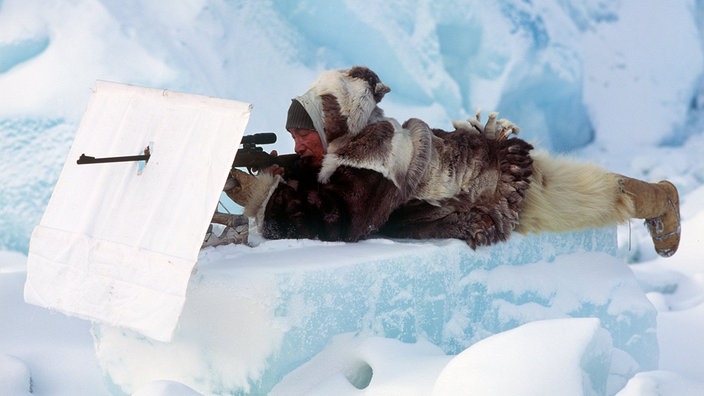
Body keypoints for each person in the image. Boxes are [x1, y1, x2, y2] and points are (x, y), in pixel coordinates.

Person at [225, 66, 680, 257]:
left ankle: (661, 200)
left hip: (496, 188)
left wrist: (261, 196)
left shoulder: (375, 155)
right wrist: (281, 168)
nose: (300, 145)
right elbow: (328, 172)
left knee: (593, 196)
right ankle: (654, 196)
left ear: (331, 127)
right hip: (478, 160)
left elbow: (343, 217)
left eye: (304, 136)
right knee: (582, 184)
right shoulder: (355, 145)